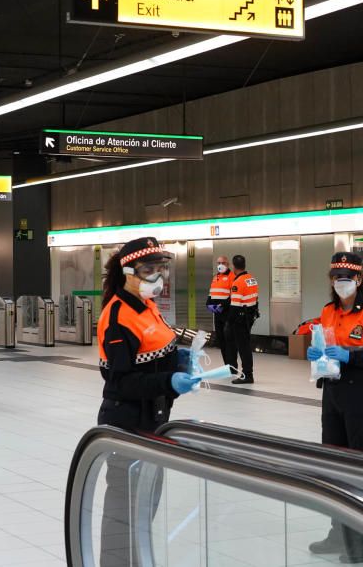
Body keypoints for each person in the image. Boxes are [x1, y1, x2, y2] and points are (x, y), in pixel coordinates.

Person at [96, 237, 201, 567]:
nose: (158, 277)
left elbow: (153, 352)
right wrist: (168, 379)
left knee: (145, 504)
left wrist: (178, 359)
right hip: (127, 421)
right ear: (128, 272)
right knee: (122, 511)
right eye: (148, 270)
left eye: (162, 269)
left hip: (153, 418)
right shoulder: (118, 316)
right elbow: (120, 381)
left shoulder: (147, 308)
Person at [297, 252, 363, 563]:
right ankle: (339, 534)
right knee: (334, 466)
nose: (341, 282)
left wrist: (351, 357)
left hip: (360, 395)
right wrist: (318, 354)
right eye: (336, 277)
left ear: (358, 279)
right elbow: (324, 345)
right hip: (332, 394)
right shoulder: (327, 311)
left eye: (347, 277)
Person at [225, 254, 258, 384]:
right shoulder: (252, 279)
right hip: (249, 317)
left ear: (234, 266)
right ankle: (248, 373)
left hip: (240, 319)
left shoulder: (237, 282)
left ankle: (247, 375)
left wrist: (228, 323)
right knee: (246, 346)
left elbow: (234, 306)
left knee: (243, 348)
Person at [206, 255, 234, 351]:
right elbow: (211, 292)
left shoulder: (232, 277)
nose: (220, 265)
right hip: (217, 313)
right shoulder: (215, 277)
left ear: (228, 264)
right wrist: (208, 303)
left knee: (228, 340)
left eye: (223, 263)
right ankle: (226, 363)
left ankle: (230, 364)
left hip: (227, 313)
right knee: (221, 340)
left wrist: (222, 305)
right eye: (218, 263)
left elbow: (233, 296)